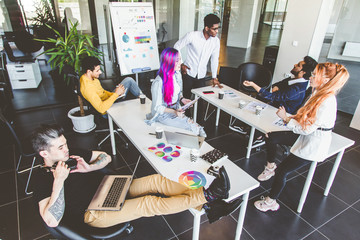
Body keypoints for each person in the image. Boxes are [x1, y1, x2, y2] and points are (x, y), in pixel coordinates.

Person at [31, 124, 242, 229]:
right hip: (93, 212)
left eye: (66, 143)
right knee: (148, 204)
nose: (66, 149)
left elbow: (104, 157)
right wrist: (58, 180)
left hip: (108, 187)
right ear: (44, 153)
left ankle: (208, 205)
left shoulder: (71, 155)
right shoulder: (41, 178)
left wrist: (91, 168)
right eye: (60, 147)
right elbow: (51, 220)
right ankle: (208, 198)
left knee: (156, 180)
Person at [254, 62, 349, 212]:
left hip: (313, 142)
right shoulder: (317, 93)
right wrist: (289, 117)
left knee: (283, 171)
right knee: (270, 137)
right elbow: (304, 119)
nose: (309, 77)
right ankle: (270, 166)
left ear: (325, 80)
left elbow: (306, 129)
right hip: (305, 134)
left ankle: (271, 202)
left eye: (314, 75)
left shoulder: (326, 102)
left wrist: (286, 119)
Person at [230, 56, 318, 136]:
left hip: (280, 111)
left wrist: (253, 85)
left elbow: (271, 96)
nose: (295, 65)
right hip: (275, 104)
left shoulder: (296, 90)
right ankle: (248, 128)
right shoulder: (295, 79)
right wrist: (277, 87)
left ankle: (257, 136)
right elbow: (278, 84)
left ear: (303, 72)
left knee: (255, 107)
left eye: (298, 65)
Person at [146, 48, 207, 137]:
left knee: (194, 126)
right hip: (163, 115)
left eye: (180, 59)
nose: (180, 63)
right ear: (168, 62)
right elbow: (157, 108)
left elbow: (177, 93)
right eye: (177, 61)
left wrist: (182, 99)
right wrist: (174, 112)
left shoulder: (177, 74)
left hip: (176, 108)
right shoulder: (158, 82)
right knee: (193, 128)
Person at [174, 13, 222, 99]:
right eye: (214, 29)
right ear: (206, 28)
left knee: (200, 100)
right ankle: (184, 113)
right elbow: (176, 46)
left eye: (217, 28)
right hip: (188, 73)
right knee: (186, 98)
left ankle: (199, 113)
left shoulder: (216, 41)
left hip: (201, 76)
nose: (217, 31)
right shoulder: (192, 36)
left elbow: (214, 59)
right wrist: (181, 64)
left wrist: (214, 77)